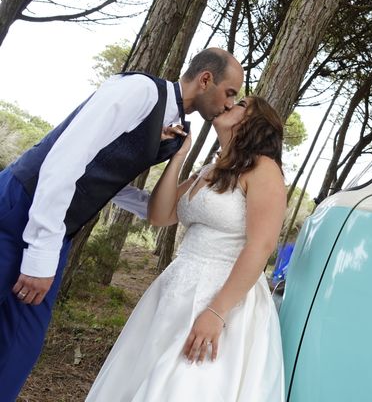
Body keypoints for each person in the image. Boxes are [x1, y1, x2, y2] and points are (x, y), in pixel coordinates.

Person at [0, 47, 243, 400]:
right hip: (20, 207)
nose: (230, 103)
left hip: (59, 231)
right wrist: (41, 252)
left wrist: (157, 202)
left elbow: (108, 176)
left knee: (20, 346)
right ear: (206, 79)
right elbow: (65, 160)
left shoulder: (173, 126)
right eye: (230, 92)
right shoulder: (139, 92)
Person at [86, 96, 287, 401]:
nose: (231, 103)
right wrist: (179, 157)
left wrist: (217, 313)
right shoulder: (211, 169)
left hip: (224, 297)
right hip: (176, 287)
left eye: (242, 103)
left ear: (257, 124)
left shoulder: (264, 169)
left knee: (184, 385)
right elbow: (160, 214)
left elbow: (261, 246)